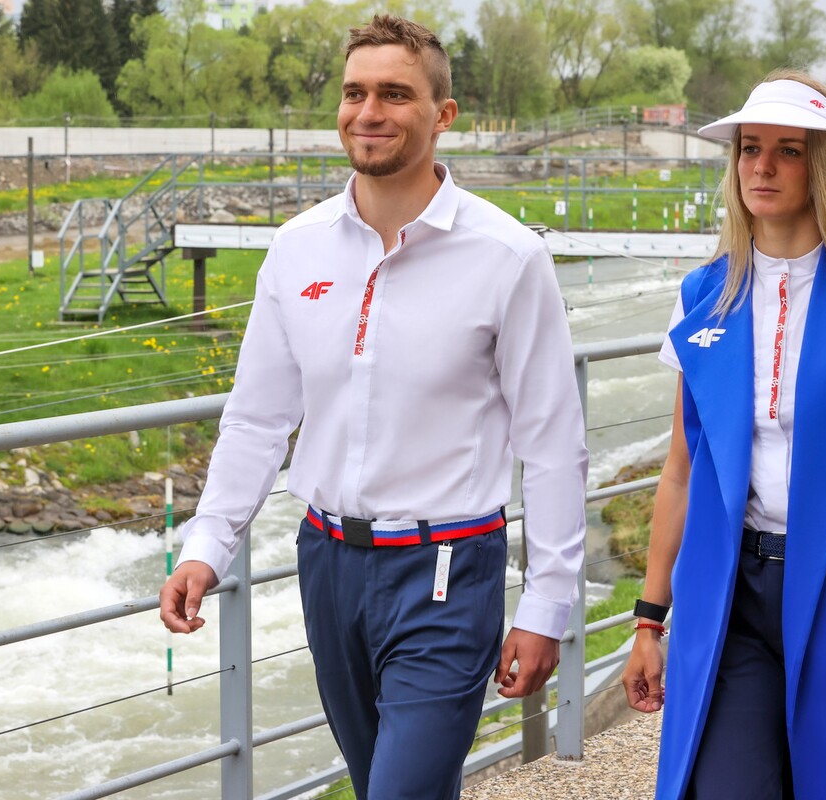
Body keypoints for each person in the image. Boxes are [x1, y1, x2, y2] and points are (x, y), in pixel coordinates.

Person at [158, 14, 588, 800]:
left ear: (443, 115)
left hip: (448, 570)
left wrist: (548, 603)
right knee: (380, 785)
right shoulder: (297, 247)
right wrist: (207, 544)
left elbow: (553, 442)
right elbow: (258, 418)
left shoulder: (508, 256)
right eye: (356, 93)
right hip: (327, 564)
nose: (369, 112)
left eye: (395, 93)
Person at [622, 70, 826, 800]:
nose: (761, 168)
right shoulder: (704, 295)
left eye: (788, 151)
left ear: (823, 165)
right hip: (730, 593)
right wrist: (649, 619)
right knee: (726, 785)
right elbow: (682, 467)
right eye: (749, 148)